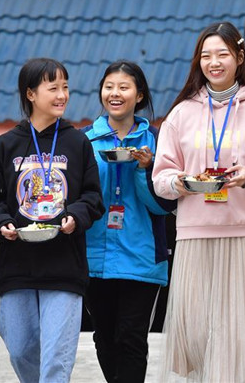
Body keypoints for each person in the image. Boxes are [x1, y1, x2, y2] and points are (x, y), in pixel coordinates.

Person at [152, 22, 245, 382]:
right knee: (193, 329)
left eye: (222, 54)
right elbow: (161, 178)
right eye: (206, 56)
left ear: (239, 57)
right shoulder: (181, 113)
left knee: (240, 333)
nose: (214, 62)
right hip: (194, 230)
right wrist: (179, 182)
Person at [0, 58, 105, 383]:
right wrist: (2, 223)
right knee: (19, 349)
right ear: (31, 94)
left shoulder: (77, 142)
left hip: (64, 265)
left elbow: (93, 198)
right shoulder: (7, 144)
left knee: (55, 360)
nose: (62, 95)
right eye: (53, 88)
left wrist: (74, 217)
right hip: (17, 266)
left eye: (65, 87)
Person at [83, 60, 175, 383]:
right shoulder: (85, 141)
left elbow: (164, 206)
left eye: (124, 87)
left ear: (139, 95)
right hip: (94, 256)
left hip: (142, 257)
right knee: (104, 337)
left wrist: (144, 170)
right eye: (109, 87)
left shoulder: (157, 140)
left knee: (132, 337)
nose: (115, 93)